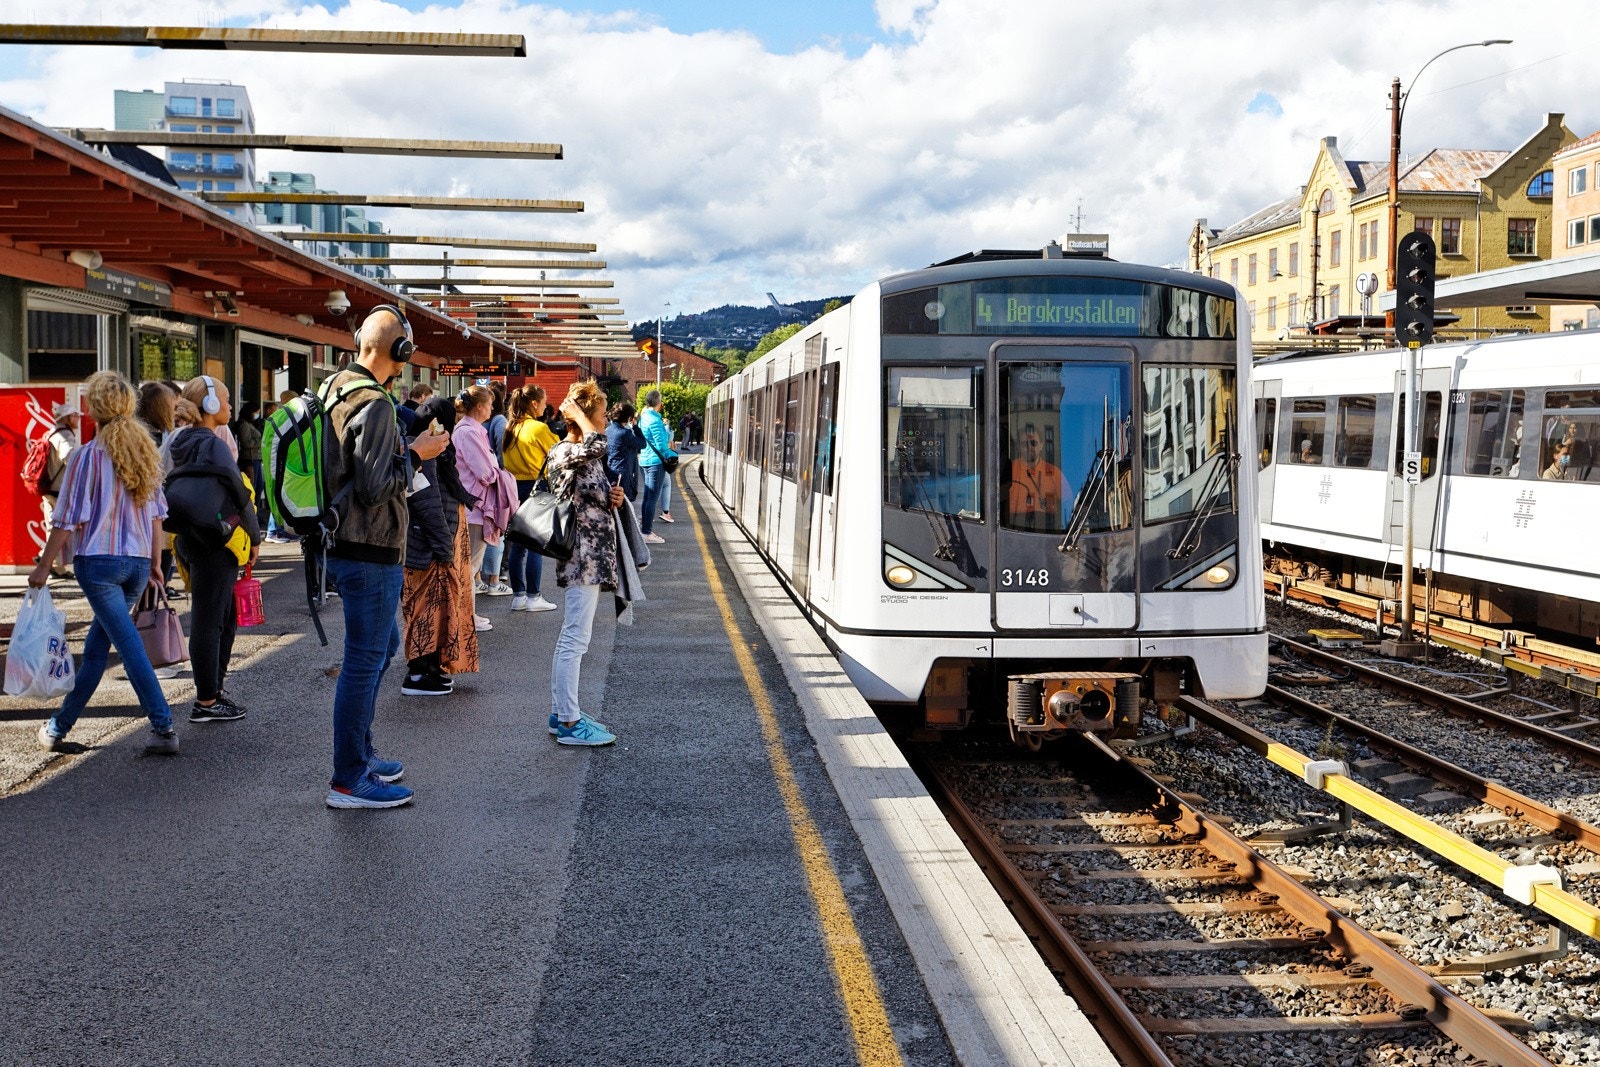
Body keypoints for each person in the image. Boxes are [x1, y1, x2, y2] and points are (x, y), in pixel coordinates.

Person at [322, 306, 449, 809]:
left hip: (347, 543)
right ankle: (349, 778)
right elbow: (376, 488)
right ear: (399, 351)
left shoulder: (334, 388)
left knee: (382, 647)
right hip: (370, 546)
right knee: (364, 659)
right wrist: (418, 452)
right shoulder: (373, 404)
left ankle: (361, 752)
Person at [32, 371, 179, 756]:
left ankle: (164, 726)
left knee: (129, 647)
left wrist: (43, 568)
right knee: (98, 649)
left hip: (97, 565)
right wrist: (154, 563)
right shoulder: (143, 452)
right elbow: (156, 515)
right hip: (135, 564)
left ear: (93, 409)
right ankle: (57, 727)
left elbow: (67, 520)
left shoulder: (86, 456)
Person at [167, 375, 261, 723]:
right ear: (208, 405)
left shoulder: (177, 441)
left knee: (219, 616)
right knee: (211, 620)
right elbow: (240, 493)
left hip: (190, 537)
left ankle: (213, 693)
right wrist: (254, 538)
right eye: (224, 398)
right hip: (216, 540)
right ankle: (206, 701)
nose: (230, 404)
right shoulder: (213, 443)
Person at [546, 381, 624, 746]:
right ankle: (569, 723)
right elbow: (598, 443)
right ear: (584, 417)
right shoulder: (565, 450)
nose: (606, 421)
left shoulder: (584, 455)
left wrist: (613, 498)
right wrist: (578, 414)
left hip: (592, 558)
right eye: (602, 414)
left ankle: (561, 711)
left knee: (576, 637)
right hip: (580, 559)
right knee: (574, 638)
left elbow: (586, 496)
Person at [400, 395, 478, 696]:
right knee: (426, 612)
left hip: (433, 543)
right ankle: (419, 675)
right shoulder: (427, 449)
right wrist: (445, 549)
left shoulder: (432, 449)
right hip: (429, 547)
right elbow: (428, 502)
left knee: (438, 611)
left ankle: (432, 669)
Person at [501, 384, 560, 612]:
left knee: (517, 545)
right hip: (537, 486)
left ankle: (519, 596)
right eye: (543, 401)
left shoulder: (510, 427)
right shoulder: (538, 428)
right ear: (534, 403)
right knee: (535, 544)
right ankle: (534, 596)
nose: (545, 405)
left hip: (514, 487)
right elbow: (556, 452)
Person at [452, 385, 505, 628]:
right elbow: (485, 472)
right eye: (490, 404)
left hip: (473, 503)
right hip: (474, 504)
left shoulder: (469, 430)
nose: (492, 408)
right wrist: (498, 473)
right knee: (470, 564)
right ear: (480, 407)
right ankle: (466, 618)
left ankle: (468, 615)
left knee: (470, 565)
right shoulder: (470, 432)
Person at [36, 401, 80, 577]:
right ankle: (48, 560)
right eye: (75, 415)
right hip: (60, 490)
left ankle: (54, 564)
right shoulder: (64, 435)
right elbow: (68, 456)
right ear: (68, 418)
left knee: (53, 526)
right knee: (63, 528)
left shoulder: (50, 432)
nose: (78, 419)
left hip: (49, 487)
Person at [478, 380, 511, 594]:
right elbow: (501, 450)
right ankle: (493, 579)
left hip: (483, 480)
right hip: (494, 478)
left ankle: (482, 577)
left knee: (485, 528)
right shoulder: (499, 420)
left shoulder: (477, 423)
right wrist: (502, 474)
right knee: (496, 529)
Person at [637, 389, 676, 544]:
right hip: (655, 462)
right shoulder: (655, 420)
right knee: (652, 498)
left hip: (645, 460)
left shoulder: (643, 417)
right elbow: (661, 445)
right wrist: (672, 455)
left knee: (647, 497)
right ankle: (646, 532)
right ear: (659, 404)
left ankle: (644, 529)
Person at [1006, 430, 1066, 530]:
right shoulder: (1009, 470)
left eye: (1034, 443)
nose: (1030, 448)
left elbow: (1069, 506)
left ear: (1041, 446)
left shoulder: (1055, 472)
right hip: (1013, 529)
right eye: (1025, 444)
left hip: (1047, 529)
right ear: (1018, 447)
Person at [606, 401, 646, 510]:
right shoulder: (624, 433)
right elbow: (643, 444)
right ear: (629, 418)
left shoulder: (607, 430)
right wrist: (636, 426)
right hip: (622, 474)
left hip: (610, 471)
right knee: (622, 506)